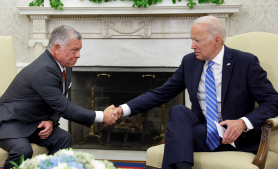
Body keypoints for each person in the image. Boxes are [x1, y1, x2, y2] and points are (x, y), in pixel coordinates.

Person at [112, 16, 278, 169]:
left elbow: (273, 101)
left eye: (197, 40)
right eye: (191, 39)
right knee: (178, 111)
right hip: (203, 130)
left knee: (175, 137)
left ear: (216, 40)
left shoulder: (245, 62)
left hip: (234, 136)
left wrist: (242, 122)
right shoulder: (190, 62)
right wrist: (123, 109)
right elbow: (161, 94)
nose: (192, 46)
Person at [0, 25, 118, 169]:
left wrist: (51, 120)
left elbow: (56, 100)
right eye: (74, 50)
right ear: (57, 48)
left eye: (79, 50)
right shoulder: (43, 70)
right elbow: (64, 107)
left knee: (63, 138)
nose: (78, 55)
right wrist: (102, 116)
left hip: (32, 122)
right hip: (7, 122)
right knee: (23, 150)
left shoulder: (65, 65)